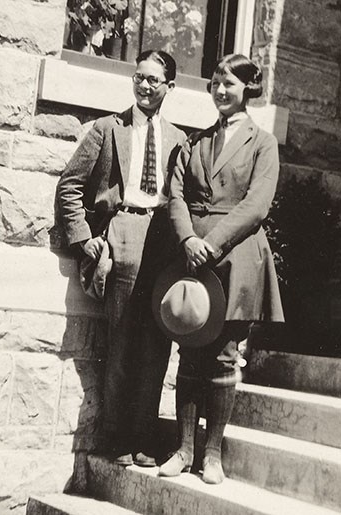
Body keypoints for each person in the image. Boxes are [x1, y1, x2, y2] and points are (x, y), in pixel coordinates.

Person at [56, 50, 186, 467]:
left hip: (162, 238)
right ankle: (116, 438)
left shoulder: (180, 139)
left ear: (169, 87)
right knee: (123, 340)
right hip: (124, 232)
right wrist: (85, 240)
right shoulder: (107, 129)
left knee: (157, 344)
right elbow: (69, 187)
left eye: (154, 80)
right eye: (139, 77)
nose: (145, 86)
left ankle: (145, 437)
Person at [158, 54, 284, 484]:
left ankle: (212, 455)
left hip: (235, 259)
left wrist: (211, 243)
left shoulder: (262, 143)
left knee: (224, 357)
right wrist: (188, 240)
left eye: (229, 83)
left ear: (247, 88)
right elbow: (175, 196)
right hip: (191, 257)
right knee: (188, 349)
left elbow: (257, 204)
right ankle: (184, 449)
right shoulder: (194, 142)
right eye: (214, 83)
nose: (220, 91)